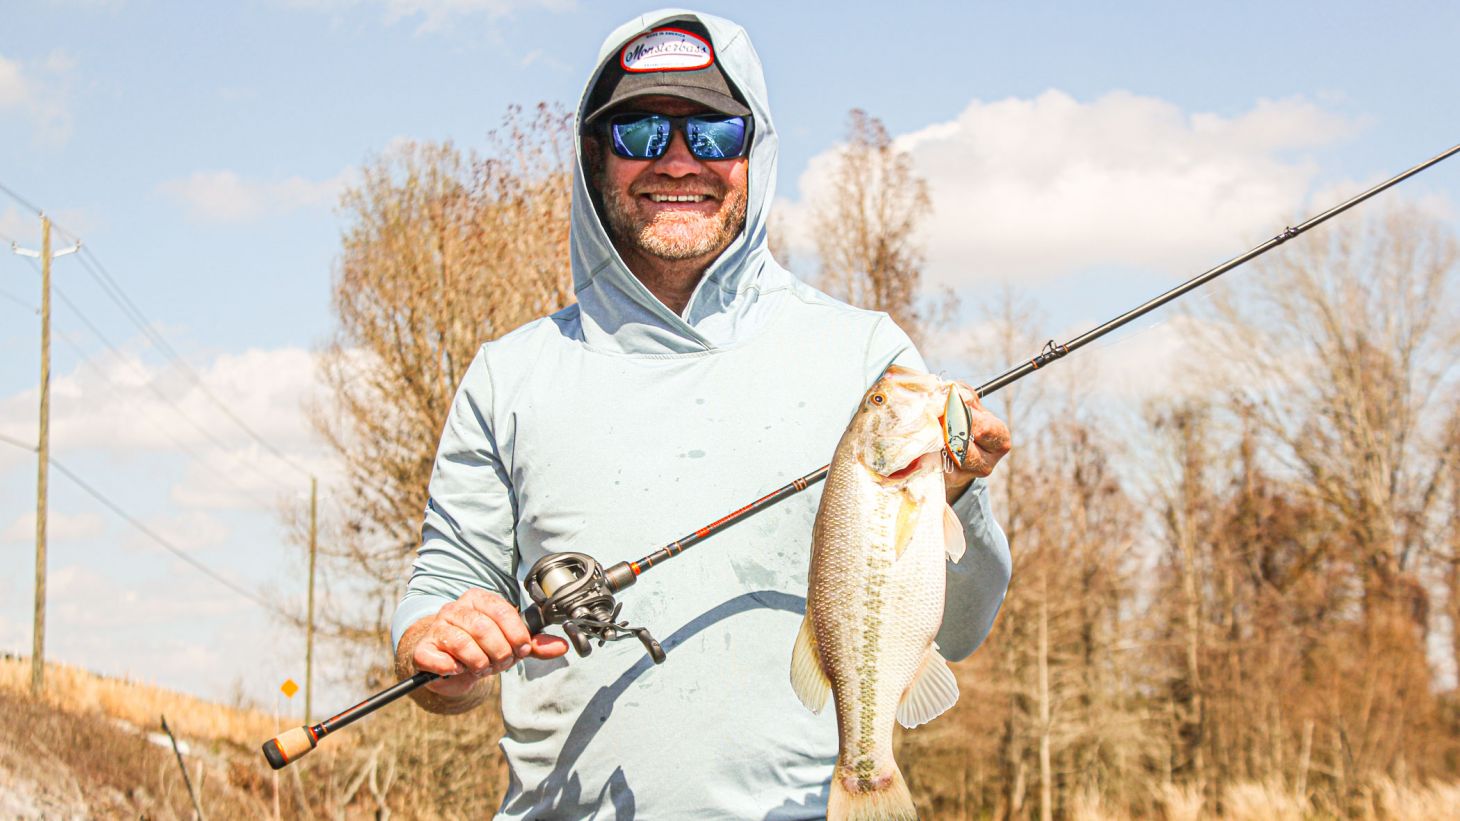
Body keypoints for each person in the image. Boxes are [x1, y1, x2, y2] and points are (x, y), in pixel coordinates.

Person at [391, 10, 1012, 818]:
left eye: (714, 132)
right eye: (640, 131)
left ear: (755, 154)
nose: (679, 160)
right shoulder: (506, 377)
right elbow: (442, 598)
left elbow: (959, 628)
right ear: (594, 155)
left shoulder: (873, 360)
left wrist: (959, 490)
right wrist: (437, 647)